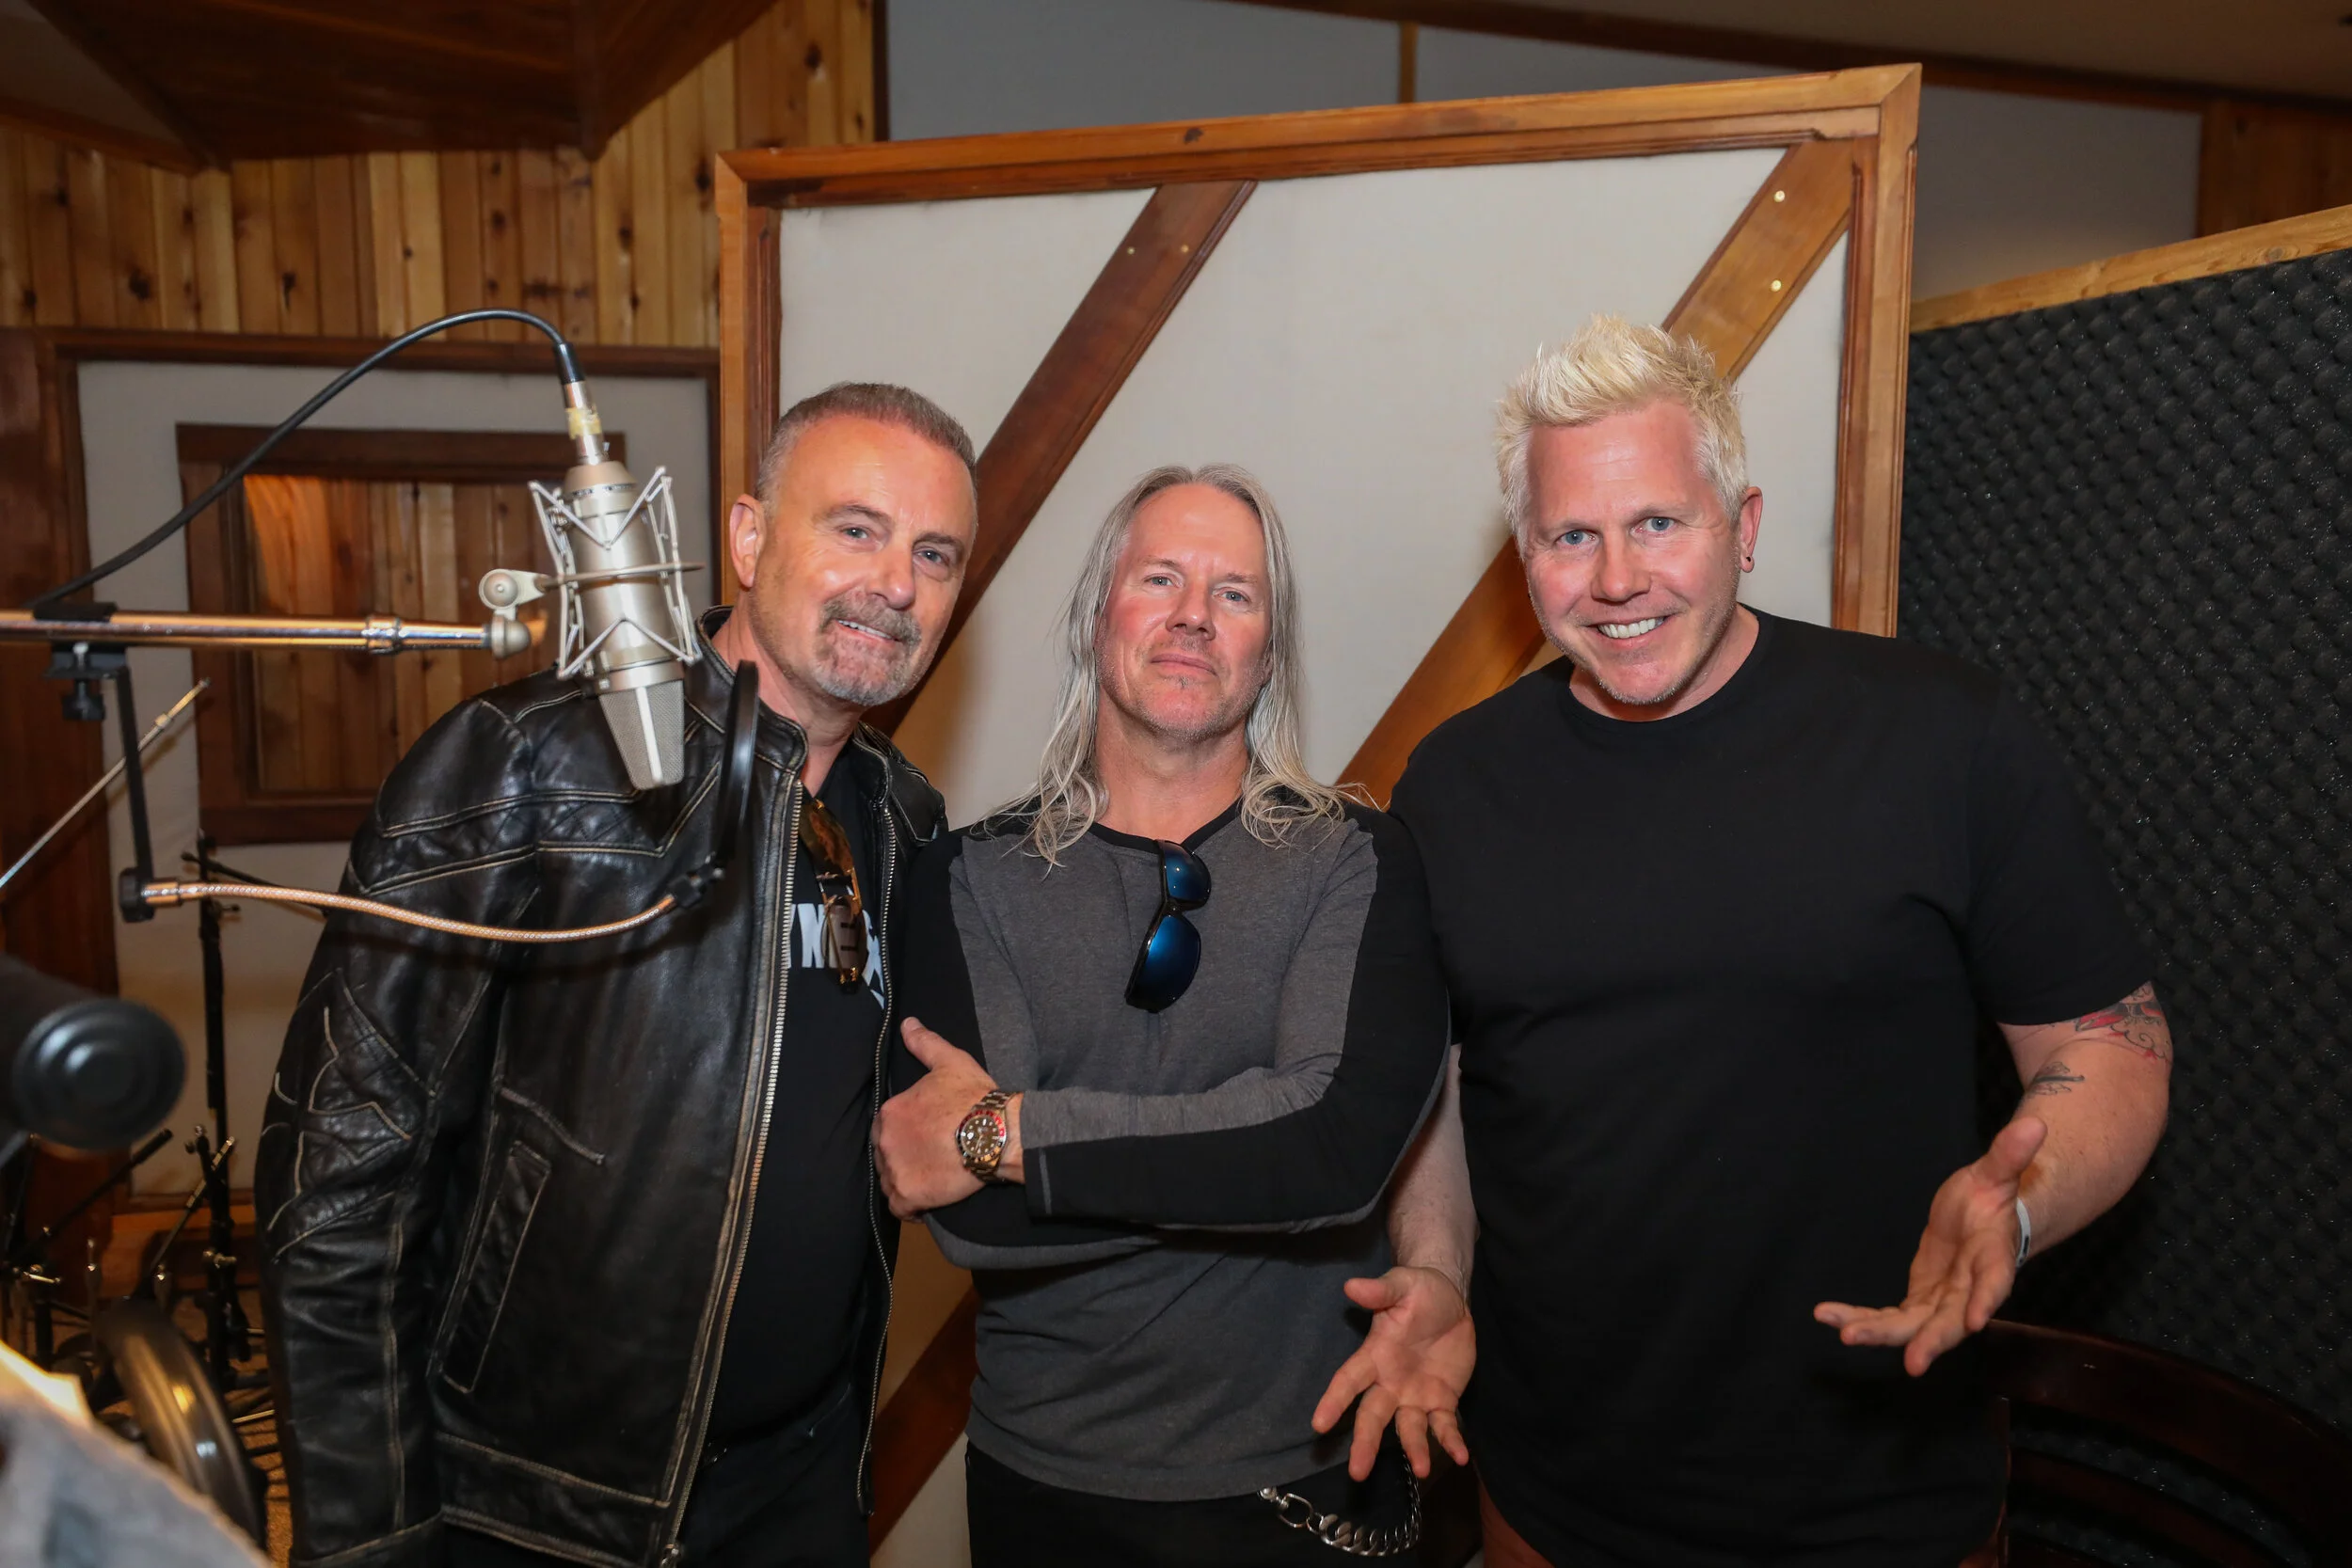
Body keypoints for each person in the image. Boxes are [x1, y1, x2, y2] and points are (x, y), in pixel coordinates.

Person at [1319, 315, 2173, 1567]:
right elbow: (1439, 1085)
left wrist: (2024, 1208)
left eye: (1659, 521)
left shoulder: (1944, 736)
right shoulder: (1452, 782)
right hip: (1554, 1500)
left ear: (1744, 524)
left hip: (1883, 1502)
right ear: (1526, 557)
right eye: (1571, 536)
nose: (1617, 578)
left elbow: (2110, 1042)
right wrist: (1438, 1270)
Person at [256, 382, 979, 1568]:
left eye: (934, 553)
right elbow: (338, 1182)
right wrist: (367, 1530)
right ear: (748, 535)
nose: (895, 582)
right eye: (856, 528)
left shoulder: (904, 820)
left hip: (799, 1491)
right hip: (536, 1508)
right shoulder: (527, 763)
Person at [871, 465, 1451, 1566]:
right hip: (1048, 1483)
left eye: (1235, 593)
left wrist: (1007, 1131)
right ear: (1098, 616)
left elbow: (1332, 1153)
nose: (1193, 615)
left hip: (1305, 1477)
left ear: (1269, 651)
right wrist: (1252, 1159)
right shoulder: (969, 876)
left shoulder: (1356, 858)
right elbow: (977, 1221)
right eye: (1160, 579)